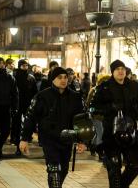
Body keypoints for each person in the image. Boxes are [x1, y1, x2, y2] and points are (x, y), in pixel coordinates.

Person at [19, 67, 85, 188]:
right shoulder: (42, 96)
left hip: (67, 139)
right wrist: (24, 139)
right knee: (54, 170)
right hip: (49, 139)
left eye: (65, 77)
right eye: (59, 77)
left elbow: (81, 120)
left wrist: (82, 140)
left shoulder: (75, 97)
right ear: (52, 79)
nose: (63, 80)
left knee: (63, 170)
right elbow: (31, 118)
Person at [90, 60, 138, 188]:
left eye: (123, 68)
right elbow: (93, 108)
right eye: (118, 69)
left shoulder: (134, 86)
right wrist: (110, 108)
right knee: (114, 168)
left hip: (131, 134)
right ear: (113, 72)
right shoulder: (104, 87)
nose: (121, 71)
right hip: (111, 134)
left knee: (134, 165)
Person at [11, 59, 37, 155]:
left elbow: (35, 92)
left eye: (26, 65)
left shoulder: (31, 78)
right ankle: (17, 145)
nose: (25, 67)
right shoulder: (14, 76)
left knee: (27, 124)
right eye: (23, 65)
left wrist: (33, 103)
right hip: (17, 104)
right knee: (17, 125)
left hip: (28, 105)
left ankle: (25, 140)